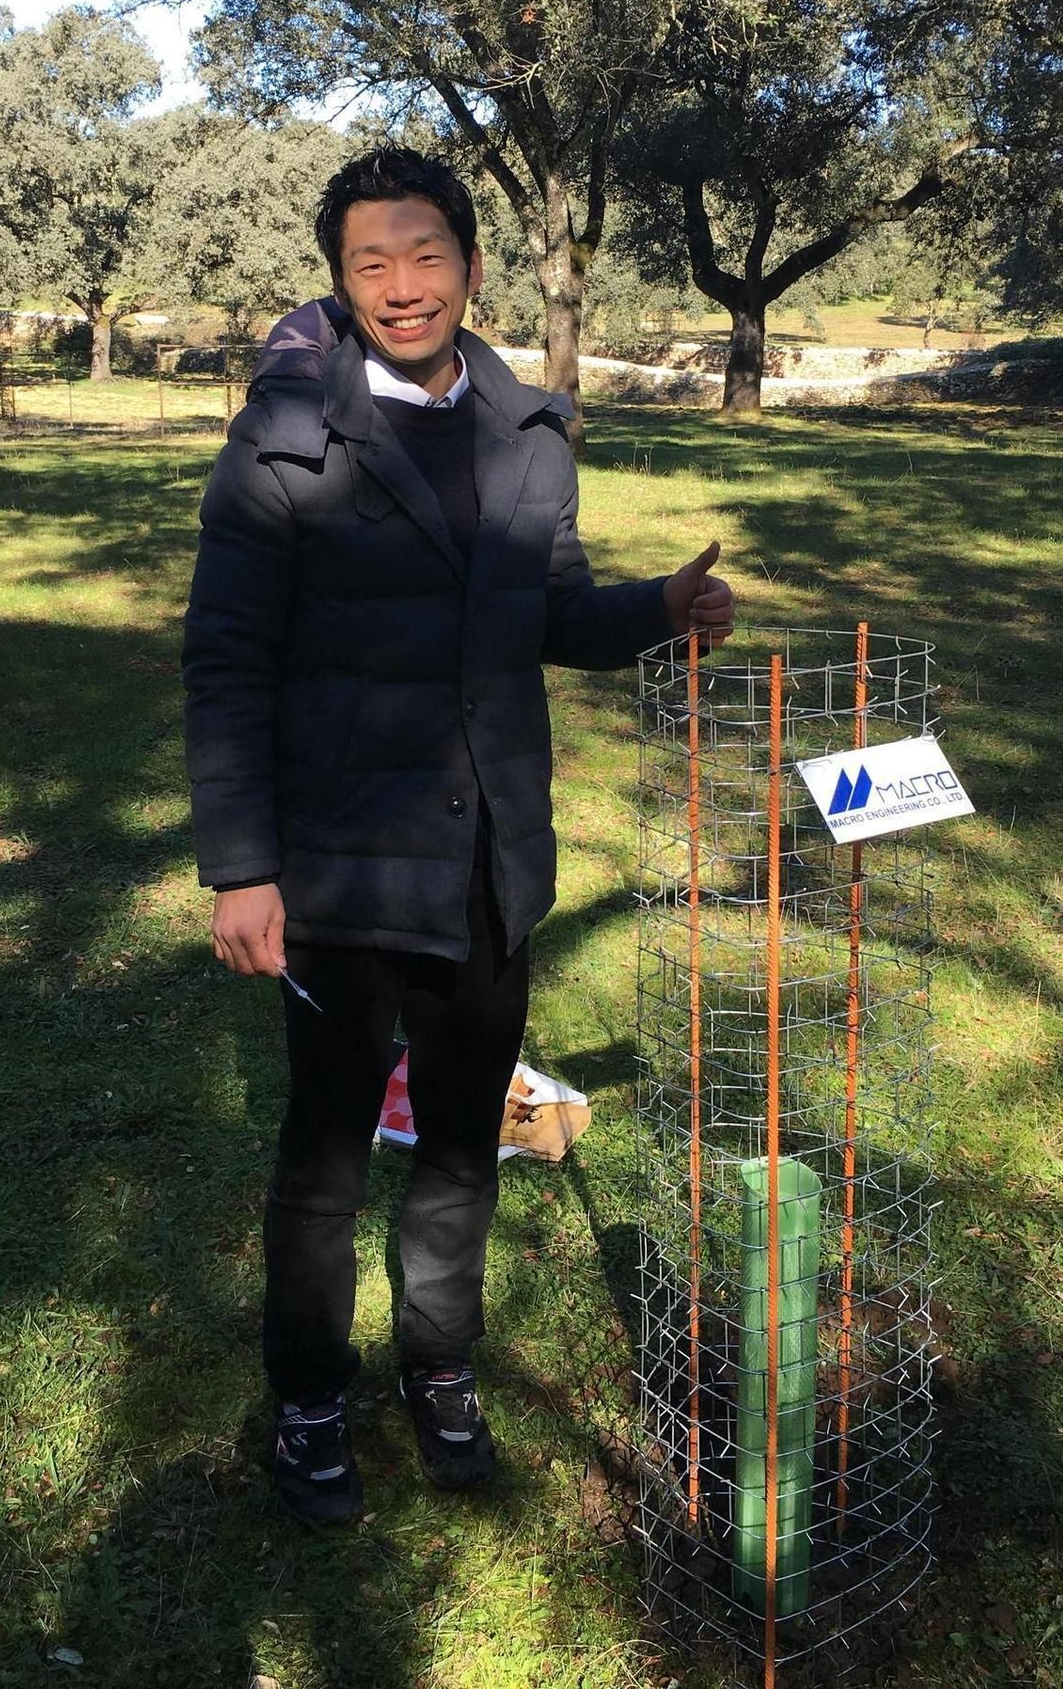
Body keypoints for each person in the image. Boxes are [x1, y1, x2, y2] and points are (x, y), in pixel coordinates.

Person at [181, 146, 733, 1525]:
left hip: (491, 861)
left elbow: (546, 614)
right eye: (371, 262)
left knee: (460, 1144)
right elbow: (227, 657)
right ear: (341, 281)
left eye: (425, 255)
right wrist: (241, 866)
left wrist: (657, 605)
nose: (402, 285)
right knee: (321, 1153)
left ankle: (438, 1359)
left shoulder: (531, 427)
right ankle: (310, 1394)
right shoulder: (284, 435)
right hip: (340, 866)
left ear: (472, 266)